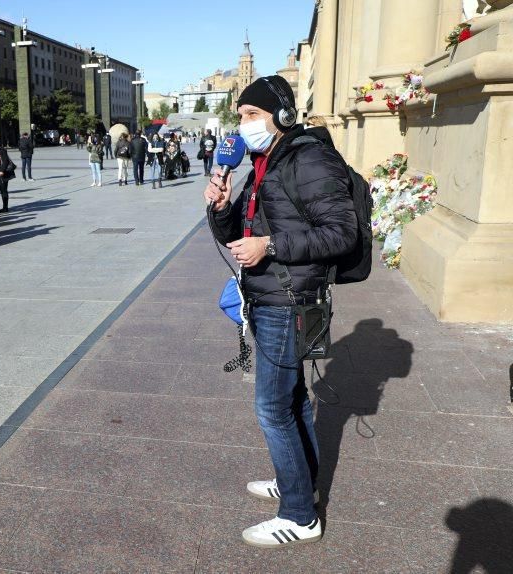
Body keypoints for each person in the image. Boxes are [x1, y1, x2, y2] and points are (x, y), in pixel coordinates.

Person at [204, 76, 358, 548]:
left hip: (289, 300)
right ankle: (298, 479)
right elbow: (245, 229)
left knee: (272, 407)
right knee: (290, 400)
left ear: (282, 116)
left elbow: (341, 232)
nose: (243, 125)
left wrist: (269, 245)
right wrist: (222, 206)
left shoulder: (308, 157)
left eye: (252, 115)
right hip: (271, 294)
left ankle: (299, 514)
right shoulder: (265, 160)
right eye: (241, 116)